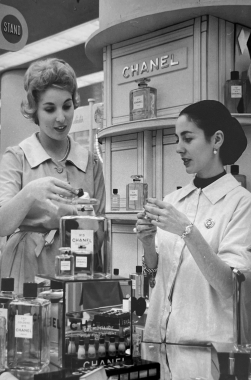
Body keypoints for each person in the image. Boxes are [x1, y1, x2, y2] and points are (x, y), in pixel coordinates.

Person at [135, 100, 251, 344]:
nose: (178, 148)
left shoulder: (241, 204)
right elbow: (153, 275)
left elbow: (230, 286)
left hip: (206, 350)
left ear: (216, 140)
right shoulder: (173, 200)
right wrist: (147, 244)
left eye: (187, 139)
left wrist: (187, 231)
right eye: (177, 139)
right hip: (159, 342)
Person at [0, 58, 105, 293]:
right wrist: (30, 194)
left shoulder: (90, 162)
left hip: (77, 273)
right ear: (34, 110)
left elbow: (99, 238)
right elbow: (2, 224)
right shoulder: (17, 157)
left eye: (66, 106)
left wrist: (82, 220)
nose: (61, 118)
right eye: (50, 109)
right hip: (23, 274)